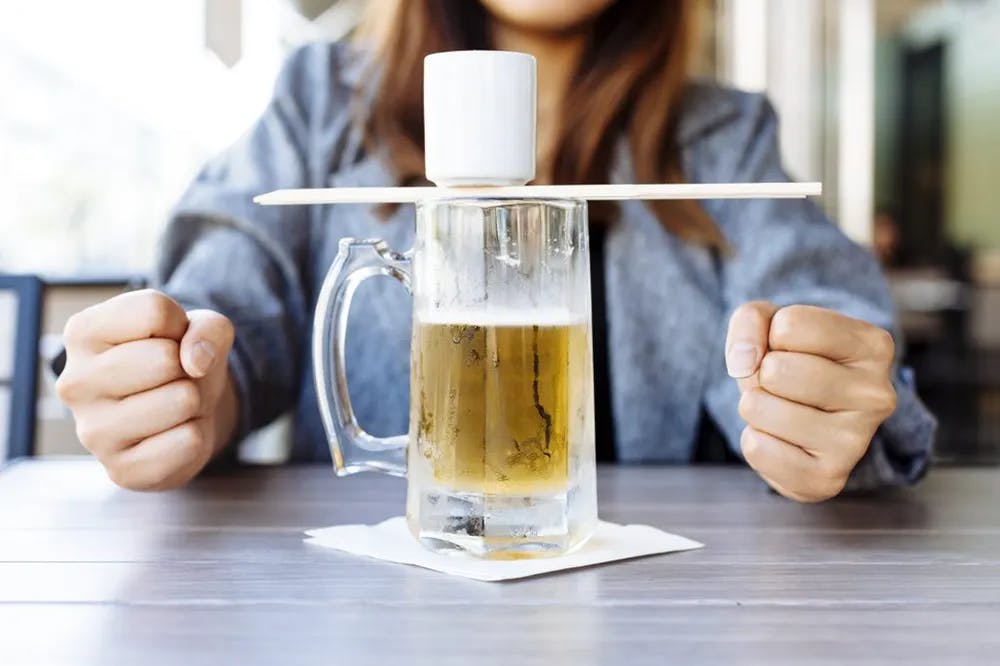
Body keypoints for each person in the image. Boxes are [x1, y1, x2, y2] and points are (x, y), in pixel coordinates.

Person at [56, 0, 935, 500]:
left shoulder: (724, 137)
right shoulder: (319, 102)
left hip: (663, 616)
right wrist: (187, 380)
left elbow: (820, 307)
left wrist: (826, 401)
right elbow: (230, 296)